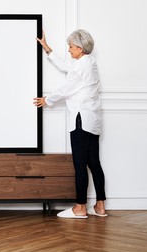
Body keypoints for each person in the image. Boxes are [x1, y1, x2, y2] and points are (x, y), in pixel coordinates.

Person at [34, 30, 107, 219]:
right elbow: (67, 66)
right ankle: (100, 206)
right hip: (93, 119)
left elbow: (67, 88)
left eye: (71, 47)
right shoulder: (89, 63)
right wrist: (47, 48)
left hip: (81, 119)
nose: (69, 50)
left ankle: (80, 208)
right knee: (94, 163)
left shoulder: (81, 66)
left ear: (80, 48)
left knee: (80, 164)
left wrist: (47, 100)